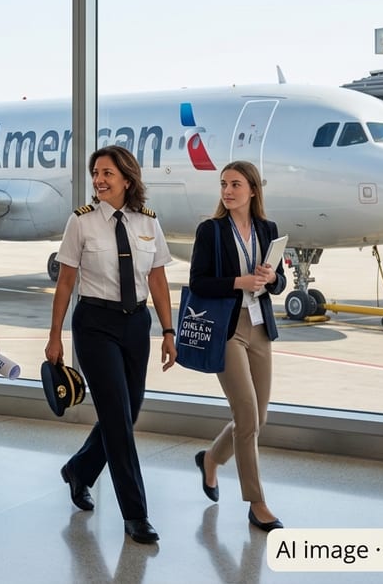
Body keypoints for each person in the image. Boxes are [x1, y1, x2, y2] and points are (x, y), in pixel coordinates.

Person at [44, 145, 176, 546]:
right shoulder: (81, 222)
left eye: (107, 174)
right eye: (96, 173)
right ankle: (136, 515)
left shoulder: (148, 222)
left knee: (128, 412)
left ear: (127, 179)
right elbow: (66, 281)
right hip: (95, 325)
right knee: (118, 422)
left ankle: (80, 471)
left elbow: (157, 279)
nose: (99, 180)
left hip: (137, 324)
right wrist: (54, 336)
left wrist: (168, 332)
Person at [190, 160, 287, 532]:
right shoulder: (210, 231)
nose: (227, 191)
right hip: (226, 329)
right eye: (223, 184)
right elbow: (198, 283)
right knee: (247, 418)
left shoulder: (267, 229)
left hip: (260, 327)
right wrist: (239, 281)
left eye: (235, 184)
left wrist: (272, 277)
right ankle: (257, 502)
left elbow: (277, 285)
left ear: (252, 190)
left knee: (258, 419)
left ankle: (211, 460)